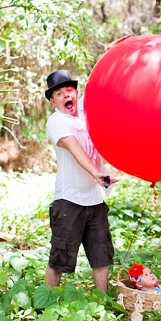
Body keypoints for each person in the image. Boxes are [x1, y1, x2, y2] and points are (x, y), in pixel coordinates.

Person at [45, 69, 116, 293]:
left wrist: (112, 53)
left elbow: (103, 81)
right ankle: (48, 305)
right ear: (52, 101)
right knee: (59, 258)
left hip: (94, 202)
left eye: (69, 90)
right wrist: (97, 173)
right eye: (59, 93)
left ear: (76, 93)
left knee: (101, 255)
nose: (66, 95)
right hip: (68, 201)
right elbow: (76, 149)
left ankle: (102, 303)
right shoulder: (56, 122)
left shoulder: (86, 112)